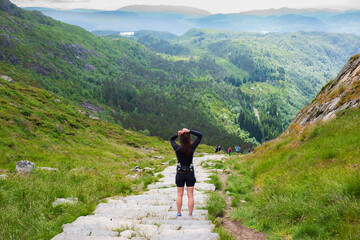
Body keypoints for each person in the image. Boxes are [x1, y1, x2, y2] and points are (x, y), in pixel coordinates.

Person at [170, 128, 203, 217]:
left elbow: (171, 139)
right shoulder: (192, 148)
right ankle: (190, 214)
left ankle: (179, 213)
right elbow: (200, 135)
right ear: (189, 138)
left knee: (179, 195)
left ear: (181, 139)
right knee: (190, 195)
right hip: (190, 173)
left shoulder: (177, 148)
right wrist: (190, 131)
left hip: (180, 173)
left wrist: (178, 134)